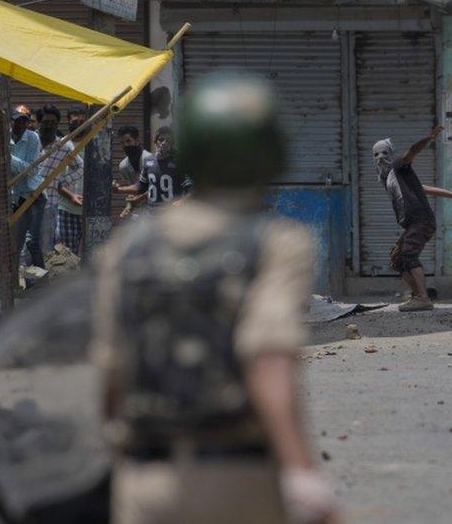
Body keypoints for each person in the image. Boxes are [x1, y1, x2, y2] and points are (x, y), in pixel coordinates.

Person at [91, 73, 341, 524]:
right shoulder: (274, 242)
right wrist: (303, 474)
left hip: (142, 484)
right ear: (271, 154)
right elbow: (268, 358)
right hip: (239, 482)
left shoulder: (126, 247)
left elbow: (111, 373)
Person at [374, 128, 452, 312]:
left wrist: (427, 139)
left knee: (409, 254)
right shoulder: (389, 178)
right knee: (397, 258)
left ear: (391, 153)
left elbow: (411, 152)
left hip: (421, 219)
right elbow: (425, 189)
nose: (380, 157)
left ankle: (422, 298)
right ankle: (416, 297)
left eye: (384, 153)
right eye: (376, 154)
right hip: (413, 222)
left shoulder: (399, 166)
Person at [112, 126, 192, 208]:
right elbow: (140, 186)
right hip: (152, 214)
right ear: (155, 141)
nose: (164, 143)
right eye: (161, 140)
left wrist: (181, 202)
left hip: (170, 213)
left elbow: (192, 189)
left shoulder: (178, 163)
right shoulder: (148, 162)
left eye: (168, 141)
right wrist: (119, 190)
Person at [35, 104, 75, 256]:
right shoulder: (31, 141)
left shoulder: (63, 146)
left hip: (49, 204)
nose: (49, 126)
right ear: (39, 123)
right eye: (46, 122)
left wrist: (61, 182)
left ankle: (43, 278)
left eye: (53, 123)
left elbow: (79, 167)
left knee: (45, 246)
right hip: (25, 203)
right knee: (26, 245)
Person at [9, 105, 45, 269]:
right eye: (17, 121)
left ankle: (41, 283)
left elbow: (30, 169)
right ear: (11, 120)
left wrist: (9, 159)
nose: (20, 125)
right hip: (16, 196)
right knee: (15, 243)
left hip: (33, 195)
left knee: (32, 242)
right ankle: (14, 281)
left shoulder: (33, 138)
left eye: (24, 121)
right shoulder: (5, 137)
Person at [116, 125, 154, 219]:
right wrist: (128, 207)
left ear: (137, 140)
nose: (126, 145)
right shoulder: (123, 166)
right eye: (122, 143)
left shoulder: (150, 160)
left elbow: (155, 188)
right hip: (138, 213)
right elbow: (133, 192)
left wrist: (139, 198)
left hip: (156, 209)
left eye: (128, 141)